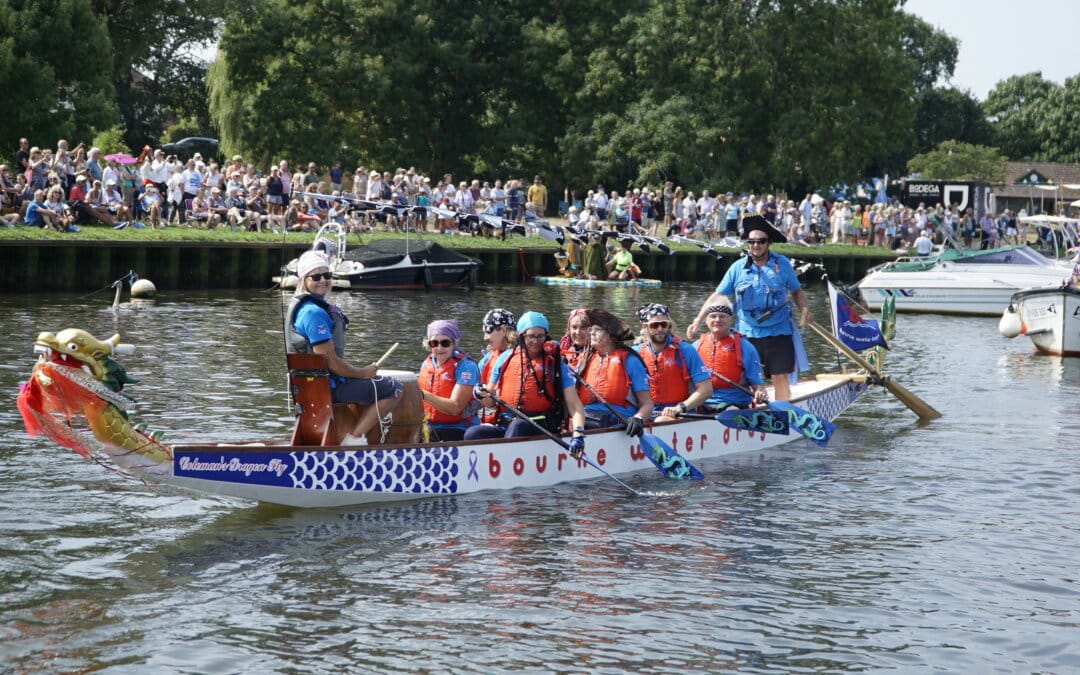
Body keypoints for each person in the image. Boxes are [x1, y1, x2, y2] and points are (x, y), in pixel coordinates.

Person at [687, 215, 809, 402]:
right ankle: (749, 415)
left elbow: (797, 292)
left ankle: (783, 414)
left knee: (780, 377)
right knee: (747, 378)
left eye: (760, 241)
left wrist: (806, 311)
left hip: (779, 331)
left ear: (768, 243)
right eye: (751, 241)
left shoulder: (782, 265)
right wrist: (698, 319)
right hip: (748, 333)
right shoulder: (737, 268)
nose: (756, 245)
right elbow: (718, 296)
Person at [287, 251, 403, 443]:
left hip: (308, 386)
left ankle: (338, 436)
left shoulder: (305, 308)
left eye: (327, 275)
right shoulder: (314, 314)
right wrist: (363, 373)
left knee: (369, 384)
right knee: (393, 388)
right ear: (303, 279)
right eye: (316, 276)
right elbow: (330, 362)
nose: (323, 280)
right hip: (326, 388)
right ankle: (355, 438)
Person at [466, 312, 587, 444]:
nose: (536, 341)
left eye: (540, 336)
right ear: (521, 336)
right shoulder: (505, 359)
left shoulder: (555, 363)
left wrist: (578, 434)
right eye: (531, 336)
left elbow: (575, 405)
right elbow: (489, 402)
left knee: (518, 426)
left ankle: (505, 459)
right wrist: (479, 394)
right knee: (473, 433)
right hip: (506, 424)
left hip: (540, 425)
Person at [576, 309, 652, 432]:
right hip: (586, 422)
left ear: (610, 336)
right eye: (591, 329)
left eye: (597, 330)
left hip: (617, 427)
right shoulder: (585, 360)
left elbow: (647, 404)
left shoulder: (630, 361)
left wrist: (638, 418)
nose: (592, 333)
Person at [634, 303, 712, 422]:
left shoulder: (686, 350)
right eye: (655, 325)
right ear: (645, 327)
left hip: (679, 412)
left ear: (669, 326)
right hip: (647, 411)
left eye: (664, 324)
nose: (660, 329)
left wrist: (680, 407)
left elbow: (706, 390)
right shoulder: (636, 352)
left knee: (661, 421)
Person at [694, 302, 768, 411]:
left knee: (729, 409)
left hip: (733, 405)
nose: (717, 320)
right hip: (700, 402)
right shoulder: (695, 346)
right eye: (713, 316)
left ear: (731, 320)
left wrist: (760, 393)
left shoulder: (746, 348)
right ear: (706, 320)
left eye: (722, 316)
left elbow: (758, 386)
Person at [418, 319, 480, 442]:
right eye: (434, 343)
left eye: (445, 343)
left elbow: (455, 408)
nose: (439, 347)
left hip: (458, 428)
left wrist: (422, 395)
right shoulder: (427, 364)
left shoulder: (466, 367)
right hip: (428, 426)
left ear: (454, 344)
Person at [475, 308, 517, 425]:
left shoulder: (521, 357)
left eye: (487, 331)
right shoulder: (488, 359)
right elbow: (487, 402)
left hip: (516, 418)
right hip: (498, 417)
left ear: (503, 330)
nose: (485, 337)